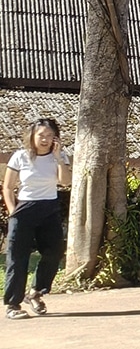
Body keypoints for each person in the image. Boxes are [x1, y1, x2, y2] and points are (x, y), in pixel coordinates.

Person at [5, 118, 70, 320]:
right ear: (32, 136)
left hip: (49, 208)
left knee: (54, 251)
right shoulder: (20, 157)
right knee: (18, 257)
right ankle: (13, 305)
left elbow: (65, 182)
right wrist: (12, 211)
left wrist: (59, 158)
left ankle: (35, 292)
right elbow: (7, 187)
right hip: (23, 209)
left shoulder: (60, 157)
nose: (45, 139)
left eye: (50, 136)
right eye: (41, 135)